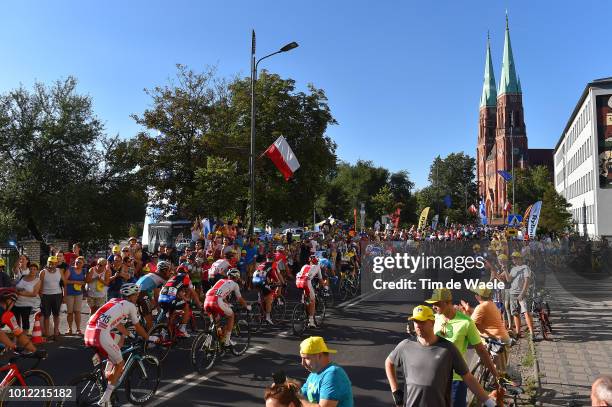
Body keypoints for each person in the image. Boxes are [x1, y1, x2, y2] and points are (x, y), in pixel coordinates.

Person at [385, 305, 495, 407]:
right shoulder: (405, 345)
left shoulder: (448, 349)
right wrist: (395, 391)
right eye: (415, 321)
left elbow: (468, 378)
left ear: (432, 322)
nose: (418, 325)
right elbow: (389, 363)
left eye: (422, 321)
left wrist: (490, 403)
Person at [84, 283, 157, 407]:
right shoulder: (130, 306)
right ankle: (105, 399)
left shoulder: (114, 301)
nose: (137, 297)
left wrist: (129, 335)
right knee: (120, 364)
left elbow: (117, 323)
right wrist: (148, 337)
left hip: (88, 332)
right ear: (132, 296)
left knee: (115, 346)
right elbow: (138, 326)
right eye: (137, 295)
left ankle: (107, 377)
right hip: (100, 334)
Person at [425, 288, 499, 407]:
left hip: (456, 379)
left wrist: (496, 375)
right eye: (432, 304)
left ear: (448, 302)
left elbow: (481, 351)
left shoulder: (466, 322)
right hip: (434, 378)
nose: (434, 307)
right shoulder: (434, 319)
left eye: (437, 303)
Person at [460, 288, 511, 376]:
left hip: (497, 342)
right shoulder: (491, 304)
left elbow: (470, 325)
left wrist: (465, 314)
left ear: (477, 296)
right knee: (492, 367)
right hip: (499, 339)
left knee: (499, 375)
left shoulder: (481, 307)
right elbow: (479, 315)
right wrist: (468, 310)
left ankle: (499, 387)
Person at [298, 336, 354, 407]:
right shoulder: (313, 374)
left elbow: (299, 397)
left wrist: (301, 399)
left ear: (319, 356)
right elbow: (300, 394)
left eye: (306, 358)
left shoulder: (333, 374)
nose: (302, 363)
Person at [204, 268, 251, 347]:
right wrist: (246, 306)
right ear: (236, 277)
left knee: (215, 322)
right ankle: (226, 341)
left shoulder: (221, 281)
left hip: (207, 300)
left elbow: (220, 293)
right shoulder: (235, 284)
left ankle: (208, 342)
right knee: (231, 315)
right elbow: (239, 298)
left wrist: (227, 303)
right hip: (217, 301)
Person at [158, 266, 202, 337]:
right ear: (186, 273)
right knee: (186, 305)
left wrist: (183, 297)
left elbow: (177, 290)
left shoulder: (172, 277)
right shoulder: (186, 278)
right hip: (170, 299)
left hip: (161, 298)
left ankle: (165, 330)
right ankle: (182, 329)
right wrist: (199, 303)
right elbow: (194, 293)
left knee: (171, 313)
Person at [502, 252, 535, 338]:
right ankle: (518, 332)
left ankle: (532, 333)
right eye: (513, 258)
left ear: (520, 258)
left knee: (526, 312)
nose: (514, 260)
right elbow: (509, 280)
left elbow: (527, 281)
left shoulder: (525, 268)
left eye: (515, 258)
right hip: (513, 293)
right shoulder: (513, 269)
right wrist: (505, 270)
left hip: (522, 294)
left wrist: (522, 293)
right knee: (515, 313)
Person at [135, 260, 171, 330]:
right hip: (142, 294)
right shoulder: (162, 278)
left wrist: (156, 304)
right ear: (164, 270)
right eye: (168, 271)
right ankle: (149, 337)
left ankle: (142, 324)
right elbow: (168, 291)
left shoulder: (152, 274)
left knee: (149, 309)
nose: (169, 273)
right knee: (149, 320)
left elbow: (156, 294)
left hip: (136, 292)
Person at [0, 288, 37, 352]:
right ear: (9, 301)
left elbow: (1, 333)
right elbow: (20, 335)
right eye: (13, 303)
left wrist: (13, 346)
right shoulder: (7, 315)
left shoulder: (6, 314)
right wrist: (34, 351)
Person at [253, 253, 285, 325]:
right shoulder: (274, 264)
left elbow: (265, 274)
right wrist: (282, 283)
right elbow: (277, 275)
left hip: (254, 280)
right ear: (274, 259)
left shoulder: (262, 264)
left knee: (262, 293)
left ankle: (259, 304)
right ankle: (268, 318)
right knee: (269, 296)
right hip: (262, 280)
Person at [39, 255, 66, 339]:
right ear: (48, 263)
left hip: (57, 295)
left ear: (57, 263)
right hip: (46, 296)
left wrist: (64, 296)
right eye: (50, 263)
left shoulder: (60, 271)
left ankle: (56, 332)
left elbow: (64, 284)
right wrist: (41, 295)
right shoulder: (43, 272)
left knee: (56, 315)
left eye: (54, 263)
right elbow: (40, 285)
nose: (52, 265)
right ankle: (47, 334)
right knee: (46, 315)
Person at [295, 256, 323, 328]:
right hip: (306, 282)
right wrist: (321, 287)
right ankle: (311, 322)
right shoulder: (317, 266)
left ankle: (303, 304)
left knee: (306, 297)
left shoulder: (304, 266)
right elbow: (320, 279)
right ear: (317, 261)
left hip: (298, 281)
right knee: (312, 300)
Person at [13, 262, 41, 333]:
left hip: (27, 304)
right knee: (16, 322)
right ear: (29, 269)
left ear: (37, 271)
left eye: (34, 269)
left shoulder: (38, 280)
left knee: (25, 321)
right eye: (31, 269)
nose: (32, 270)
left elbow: (34, 294)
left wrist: (21, 293)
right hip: (16, 303)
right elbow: (16, 286)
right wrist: (18, 291)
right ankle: (18, 336)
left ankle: (25, 336)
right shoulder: (23, 277)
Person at [64, 256, 87, 335]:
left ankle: (78, 329)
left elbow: (86, 281)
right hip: (69, 294)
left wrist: (83, 283)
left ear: (83, 264)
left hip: (79, 294)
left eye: (80, 262)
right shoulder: (70, 269)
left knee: (77, 312)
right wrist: (76, 282)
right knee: (70, 312)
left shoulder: (84, 271)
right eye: (76, 262)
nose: (77, 263)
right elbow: (65, 281)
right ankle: (69, 329)